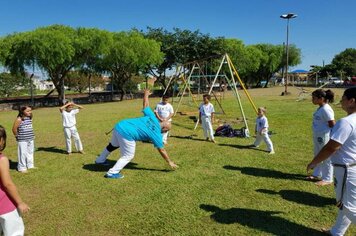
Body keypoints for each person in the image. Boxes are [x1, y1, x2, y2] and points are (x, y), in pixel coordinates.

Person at [95, 89, 178, 179]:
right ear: (164, 129)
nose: (165, 132)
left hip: (120, 125)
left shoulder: (152, 117)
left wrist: (146, 94)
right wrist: (169, 161)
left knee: (113, 145)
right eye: (166, 131)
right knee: (128, 155)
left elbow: (146, 105)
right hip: (126, 133)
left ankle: (100, 160)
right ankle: (112, 172)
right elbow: (162, 150)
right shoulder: (156, 134)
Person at [307, 87, 356, 236]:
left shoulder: (346, 122)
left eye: (343, 98)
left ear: (351, 101)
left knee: (347, 206)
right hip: (351, 167)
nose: (341, 101)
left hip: (347, 169)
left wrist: (314, 162)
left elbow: (331, 148)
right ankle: (336, 232)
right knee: (347, 204)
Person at [0, 125, 30, 235]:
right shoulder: (2, 160)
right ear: (2, 140)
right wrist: (20, 202)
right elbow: (7, 184)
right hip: (4, 205)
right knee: (14, 232)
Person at [307, 89, 335, 186]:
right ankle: (317, 174)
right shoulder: (320, 107)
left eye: (314, 98)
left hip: (324, 136)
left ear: (321, 98)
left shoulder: (326, 109)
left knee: (326, 156)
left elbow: (332, 124)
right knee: (318, 154)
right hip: (318, 135)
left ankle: (328, 178)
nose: (312, 99)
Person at [12, 106, 35, 173]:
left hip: (30, 138)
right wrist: (17, 136)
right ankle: (22, 167)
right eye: (27, 111)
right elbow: (14, 129)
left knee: (30, 152)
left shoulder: (29, 118)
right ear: (22, 112)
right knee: (22, 153)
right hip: (22, 139)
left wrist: (32, 135)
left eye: (30, 110)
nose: (30, 112)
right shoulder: (19, 119)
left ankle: (30, 165)